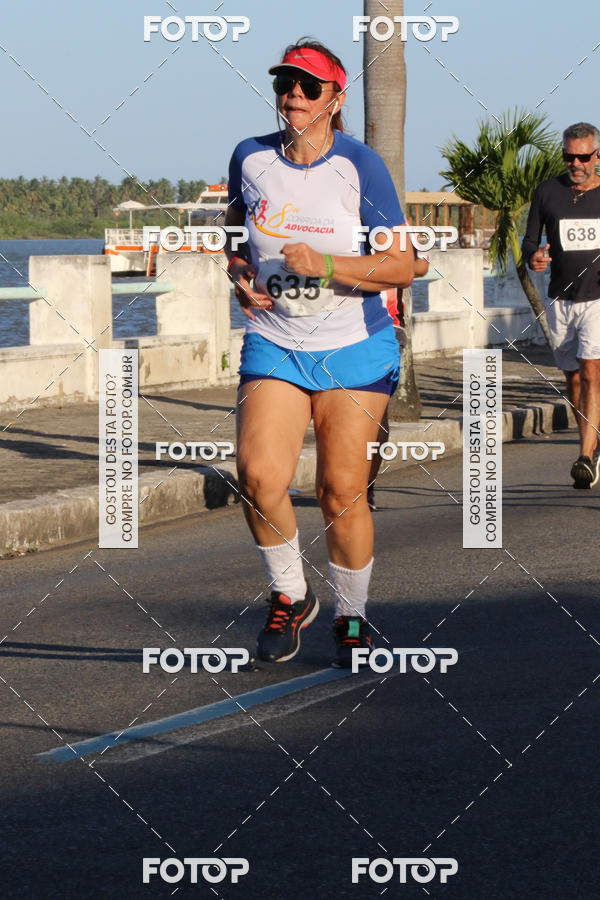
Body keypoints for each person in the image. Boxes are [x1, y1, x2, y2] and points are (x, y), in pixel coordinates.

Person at [224, 39, 415, 666]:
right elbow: (236, 237)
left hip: (354, 346)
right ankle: (291, 595)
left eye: (309, 88)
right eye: (286, 85)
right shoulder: (248, 157)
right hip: (276, 341)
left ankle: (351, 617)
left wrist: (329, 263)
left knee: (340, 490)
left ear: (335, 99)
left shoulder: (361, 167)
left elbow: (403, 267)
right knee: (257, 476)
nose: (293, 98)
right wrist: (239, 273)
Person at [522, 122, 600, 489]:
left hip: (597, 299)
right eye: (570, 156)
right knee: (571, 377)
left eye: (583, 156)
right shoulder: (547, 192)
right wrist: (533, 257)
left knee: (590, 372)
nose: (576, 163)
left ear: (597, 155)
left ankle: (585, 457)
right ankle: (592, 439)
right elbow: (529, 243)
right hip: (560, 300)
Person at [367, 247, 430, 510]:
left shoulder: (394, 221)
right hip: (333, 328)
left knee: (375, 411)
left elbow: (422, 266)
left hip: (387, 326)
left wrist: (380, 265)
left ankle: (365, 486)